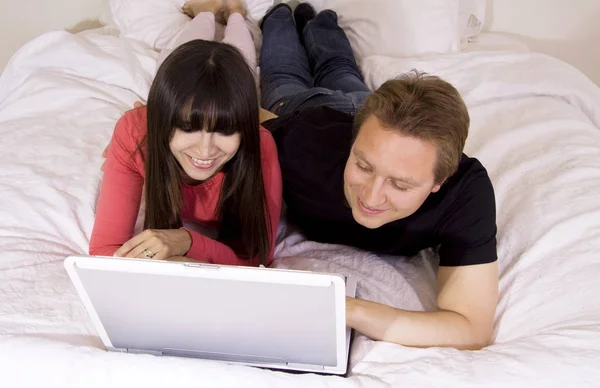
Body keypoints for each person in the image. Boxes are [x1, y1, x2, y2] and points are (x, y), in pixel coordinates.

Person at [259, 3, 498, 350]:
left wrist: (346, 308)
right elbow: (243, 126)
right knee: (284, 75)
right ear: (354, 146)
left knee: (341, 69)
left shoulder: (466, 192)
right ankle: (280, 13)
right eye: (363, 167)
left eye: (400, 184)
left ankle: (319, 21)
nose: (370, 198)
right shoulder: (301, 143)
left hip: (365, 112)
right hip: (307, 110)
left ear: (438, 182)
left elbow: (470, 329)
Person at [90, 0, 282, 266]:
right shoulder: (134, 132)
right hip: (169, 102)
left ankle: (237, 13)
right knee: (180, 59)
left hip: (231, 96)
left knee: (241, 58)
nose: (205, 150)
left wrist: (187, 241)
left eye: (225, 130)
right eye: (188, 127)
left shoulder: (260, 144)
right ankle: (206, 10)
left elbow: (257, 257)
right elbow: (104, 249)